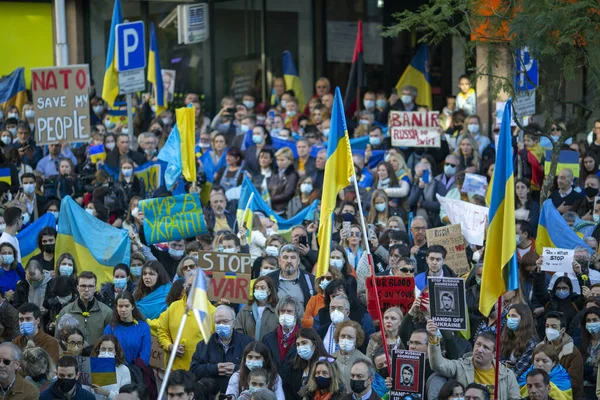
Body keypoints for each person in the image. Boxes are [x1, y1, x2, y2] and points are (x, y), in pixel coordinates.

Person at [427, 320, 521, 399]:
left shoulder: (507, 375)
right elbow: (438, 365)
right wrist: (433, 338)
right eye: (478, 344)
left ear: (494, 354)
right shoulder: (461, 366)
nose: (480, 350)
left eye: (486, 347)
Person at [157, 271, 216, 371]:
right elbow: (162, 331)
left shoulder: (213, 312)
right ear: (184, 287)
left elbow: (216, 343)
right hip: (175, 370)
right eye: (190, 285)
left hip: (200, 371)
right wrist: (170, 346)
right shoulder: (173, 307)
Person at [190, 304, 254, 393]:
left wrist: (236, 369)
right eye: (218, 322)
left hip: (239, 393)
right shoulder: (204, 344)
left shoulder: (247, 343)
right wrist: (214, 369)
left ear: (233, 323)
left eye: (225, 321)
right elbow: (194, 370)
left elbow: (256, 369)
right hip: (211, 395)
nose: (221, 325)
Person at [55, 271, 113, 346]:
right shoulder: (65, 312)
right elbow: (58, 340)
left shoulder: (107, 312)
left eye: (90, 286)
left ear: (95, 288)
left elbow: (112, 340)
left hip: (97, 356)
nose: (86, 289)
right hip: (72, 355)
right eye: (83, 286)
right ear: (78, 288)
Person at [539, 311, 583, 398]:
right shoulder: (539, 348)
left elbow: (574, 383)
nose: (549, 329)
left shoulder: (573, 352)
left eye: (553, 327)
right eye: (547, 326)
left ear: (562, 330)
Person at [280, 327, 331, 400]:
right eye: (298, 344)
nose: (301, 347)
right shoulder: (293, 366)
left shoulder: (327, 364)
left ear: (314, 344)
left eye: (304, 343)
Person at [103, 291, 151, 365]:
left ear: (133, 306)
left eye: (127, 306)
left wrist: (133, 370)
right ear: (116, 307)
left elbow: (145, 355)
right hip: (117, 370)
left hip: (138, 372)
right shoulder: (110, 329)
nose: (123, 310)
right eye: (120, 306)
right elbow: (107, 354)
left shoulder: (143, 327)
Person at [235, 276, 279, 341]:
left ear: (269, 291)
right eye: (256, 287)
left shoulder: (276, 309)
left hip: (269, 349)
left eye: (262, 288)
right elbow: (238, 330)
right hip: (248, 348)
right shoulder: (245, 309)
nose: (259, 290)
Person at [332, 320, 370, 394]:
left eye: (350, 337)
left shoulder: (365, 360)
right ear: (338, 336)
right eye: (343, 336)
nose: (345, 339)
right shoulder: (330, 358)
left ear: (356, 339)